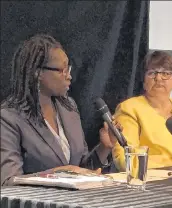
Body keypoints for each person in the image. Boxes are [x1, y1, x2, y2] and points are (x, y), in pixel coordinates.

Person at [0, 34, 119, 186]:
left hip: (76, 206)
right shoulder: (8, 118)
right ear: (38, 73)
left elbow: (82, 171)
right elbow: (8, 183)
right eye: (62, 70)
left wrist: (104, 147)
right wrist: (62, 173)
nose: (69, 76)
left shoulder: (69, 108)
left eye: (68, 69)